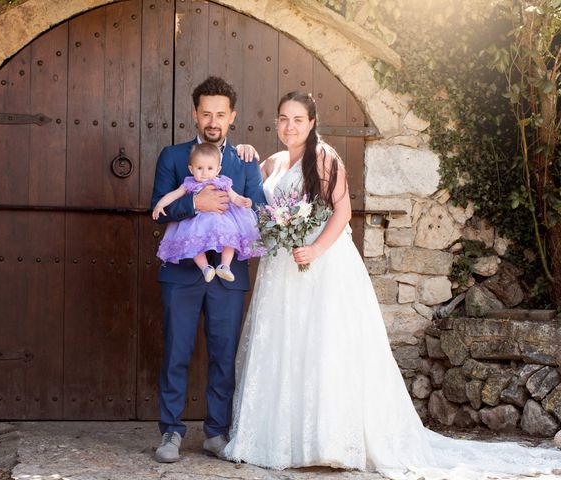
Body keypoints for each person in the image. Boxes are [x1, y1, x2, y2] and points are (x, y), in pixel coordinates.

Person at [223, 91, 561, 479]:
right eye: (283, 118)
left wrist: (314, 248)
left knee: (324, 346)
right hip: (282, 270)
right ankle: (280, 438)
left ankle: (328, 440)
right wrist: (244, 151)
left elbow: (343, 211)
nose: (289, 126)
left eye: (298, 119)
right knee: (287, 347)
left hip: (322, 266)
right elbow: (248, 196)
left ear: (312, 122)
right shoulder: (273, 163)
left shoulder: (324, 158)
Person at [150, 76, 266, 463]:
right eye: (206, 113)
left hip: (228, 277)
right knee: (176, 352)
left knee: (223, 354)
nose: (212, 121)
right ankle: (170, 432)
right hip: (182, 272)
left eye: (220, 114)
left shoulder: (245, 160)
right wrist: (197, 205)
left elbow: (259, 209)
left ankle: (217, 432)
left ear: (232, 116)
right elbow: (160, 210)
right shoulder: (172, 156)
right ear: (195, 115)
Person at [152, 142, 264, 282]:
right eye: (200, 168)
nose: (205, 173)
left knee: (229, 239)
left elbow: (234, 196)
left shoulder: (223, 182)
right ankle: (206, 268)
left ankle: (225, 266)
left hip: (222, 220)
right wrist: (160, 205)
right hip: (196, 222)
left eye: (210, 168)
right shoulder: (189, 184)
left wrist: (243, 201)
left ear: (218, 170)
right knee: (192, 243)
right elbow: (173, 195)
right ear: (191, 169)